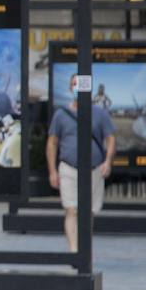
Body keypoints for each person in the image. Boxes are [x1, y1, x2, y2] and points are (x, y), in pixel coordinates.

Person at [47, 74, 117, 252]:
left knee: (88, 212)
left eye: (80, 84)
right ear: (70, 88)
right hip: (68, 168)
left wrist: (108, 161)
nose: (77, 88)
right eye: (74, 84)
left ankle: (84, 248)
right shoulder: (61, 114)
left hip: (94, 169)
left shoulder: (100, 114)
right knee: (71, 210)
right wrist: (52, 171)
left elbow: (110, 139)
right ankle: (74, 250)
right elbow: (52, 142)